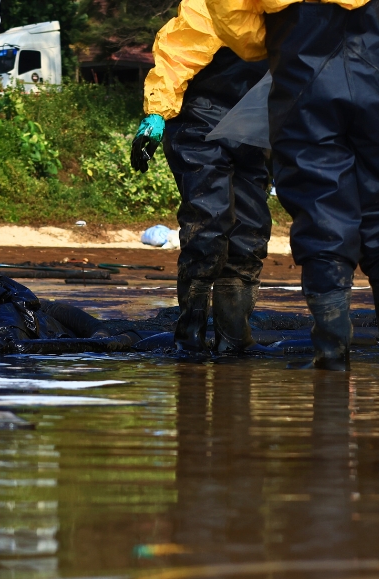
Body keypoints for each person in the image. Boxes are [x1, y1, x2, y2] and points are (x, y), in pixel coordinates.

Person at [205, 0, 379, 370]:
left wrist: (273, 36)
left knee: (320, 210)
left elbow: (234, 20)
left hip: (302, 63)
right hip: (378, 59)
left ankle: (332, 356)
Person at [131, 0, 271, 354]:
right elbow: (178, 55)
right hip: (199, 122)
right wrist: (156, 114)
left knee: (250, 232)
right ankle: (189, 337)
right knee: (209, 225)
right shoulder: (212, 4)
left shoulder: (294, 10)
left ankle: (234, 339)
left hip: (254, 128)